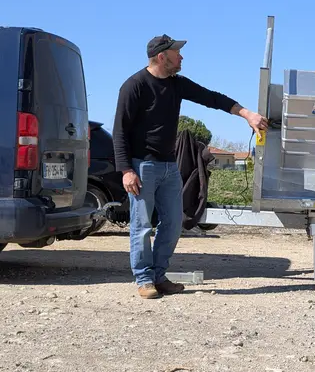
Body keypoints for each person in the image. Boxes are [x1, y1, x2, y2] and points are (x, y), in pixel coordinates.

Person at [113, 34, 268, 299]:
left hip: (169, 167)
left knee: (174, 223)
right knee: (141, 226)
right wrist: (127, 170)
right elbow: (120, 132)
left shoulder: (177, 85)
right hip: (142, 168)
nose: (181, 57)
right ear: (162, 57)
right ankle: (144, 280)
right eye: (177, 52)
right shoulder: (134, 86)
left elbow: (212, 98)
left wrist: (246, 114)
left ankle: (159, 276)